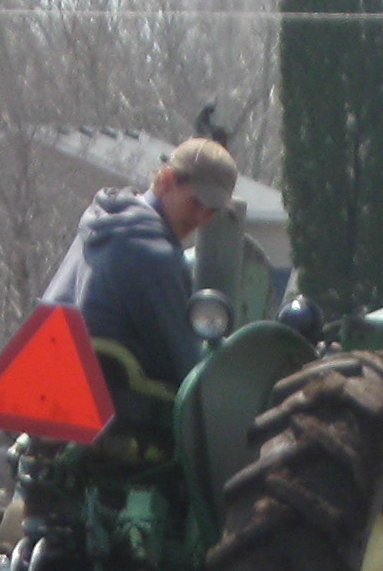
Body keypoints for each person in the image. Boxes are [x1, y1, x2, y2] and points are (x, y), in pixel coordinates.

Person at [40, 136, 237, 404]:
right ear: (166, 180)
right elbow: (186, 369)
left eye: (211, 211)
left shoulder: (104, 222)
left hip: (51, 390)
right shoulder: (154, 255)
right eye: (195, 202)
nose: (200, 218)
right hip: (120, 411)